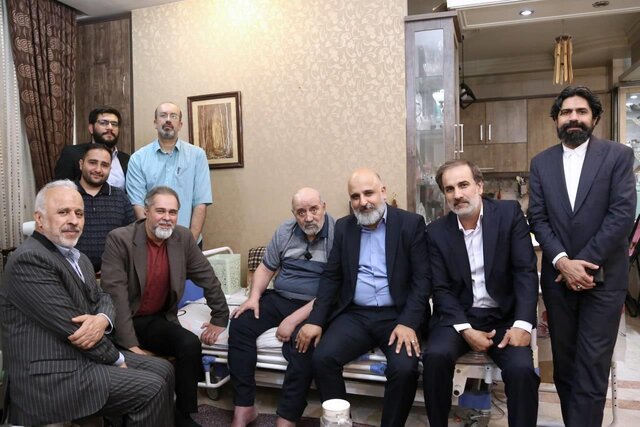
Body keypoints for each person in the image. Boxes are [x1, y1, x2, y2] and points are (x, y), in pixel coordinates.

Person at [0, 180, 174, 426]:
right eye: (63, 212)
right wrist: (117, 359)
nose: (74, 220)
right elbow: (75, 329)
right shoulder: (29, 260)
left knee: (164, 370)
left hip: (78, 357)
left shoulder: (78, 258)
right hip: (49, 376)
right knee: (152, 387)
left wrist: (102, 318)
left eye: (79, 213)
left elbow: (104, 297)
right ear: (39, 219)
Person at [528, 85, 636, 427]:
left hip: (603, 281)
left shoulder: (618, 156)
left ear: (595, 118)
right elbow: (537, 218)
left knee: (592, 367)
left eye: (581, 111)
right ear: (556, 120)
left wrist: (582, 265)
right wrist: (562, 261)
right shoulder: (541, 163)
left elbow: (621, 215)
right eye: (565, 112)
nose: (573, 118)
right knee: (565, 366)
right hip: (559, 281)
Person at [296, 168, 431, 427]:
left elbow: (422, 280)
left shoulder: (410, 224)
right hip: (356, 314)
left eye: (369, 193)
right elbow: (332, 277)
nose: (363, 202)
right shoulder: (345, 227)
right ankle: (338, 422)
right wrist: (315, 320)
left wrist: (409, 322)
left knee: (404, 369)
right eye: (355, 196)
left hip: (398, 316)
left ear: (383, 192)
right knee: (323, 358)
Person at [422, 159, 539, 427]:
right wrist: (466, 330)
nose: (457, 194)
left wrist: (523, 324)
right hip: (458, 317)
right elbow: (440, 289)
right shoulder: (436, 232)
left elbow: (525, 272)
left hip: (503, 317)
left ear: (479, 186)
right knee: (435, 358)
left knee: (522, 370)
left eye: (463, 185)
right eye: (449, 189)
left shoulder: (509, 214)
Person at [100, 185, 229, 427]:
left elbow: (207, 277)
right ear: (146, 211)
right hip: (124, 319)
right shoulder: (120, 239)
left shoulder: (182, 238)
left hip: (156, 319)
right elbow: (115, 296)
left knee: (190, 344)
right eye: (160, 211)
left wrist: (220, 317)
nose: (167, 218)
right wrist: (131, 344)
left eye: (173, 212)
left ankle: (183, 415)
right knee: (153, 366)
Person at [229, 187, 336, 427]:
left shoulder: (338, 234)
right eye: (301, 212)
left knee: (303, 341)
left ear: (324, 207)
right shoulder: (285, 231)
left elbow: (335, 289)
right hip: (281, 297)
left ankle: (287, 416)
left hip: (317, 304)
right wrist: (253, 297)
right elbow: (266, 268)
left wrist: (294, 320)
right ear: (294, 213)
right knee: (240, 323)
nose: (308, 217)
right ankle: (244, 407)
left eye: (314, 209)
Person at [126, 102, 212, 244]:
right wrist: (153, 241)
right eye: (163, 115)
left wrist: (189, 243)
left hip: (188, 240)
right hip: (150, 242)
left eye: (173, 116)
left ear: (180, 125)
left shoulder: (197, 156)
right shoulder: (138, 159)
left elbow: (200, 203)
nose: (168, 120)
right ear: (155, 123)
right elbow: (138, 205)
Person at [75, 144, 136, 272]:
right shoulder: (66, 194)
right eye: (92, 163)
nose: (98, 169)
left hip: (112, 274)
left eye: (104, 165)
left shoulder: (120, 197)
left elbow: (133, 237)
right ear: (81, 164)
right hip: (71, 273)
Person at [55, 106, 129, 189]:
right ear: (91, 128)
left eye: (114, 124)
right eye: (103, 123)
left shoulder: (127, 160)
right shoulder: (71, 154)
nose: (110, 127)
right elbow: (59, 190)